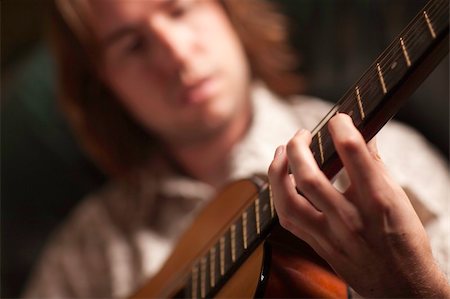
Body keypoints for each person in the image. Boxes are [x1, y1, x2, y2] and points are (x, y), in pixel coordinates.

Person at [23, 0, 449, 298]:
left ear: (227, 9)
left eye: (180, 8)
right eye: (133, 45)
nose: (175, 54)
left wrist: (414, 289)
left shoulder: (386, 158)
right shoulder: (85, 250)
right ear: (104, 86)